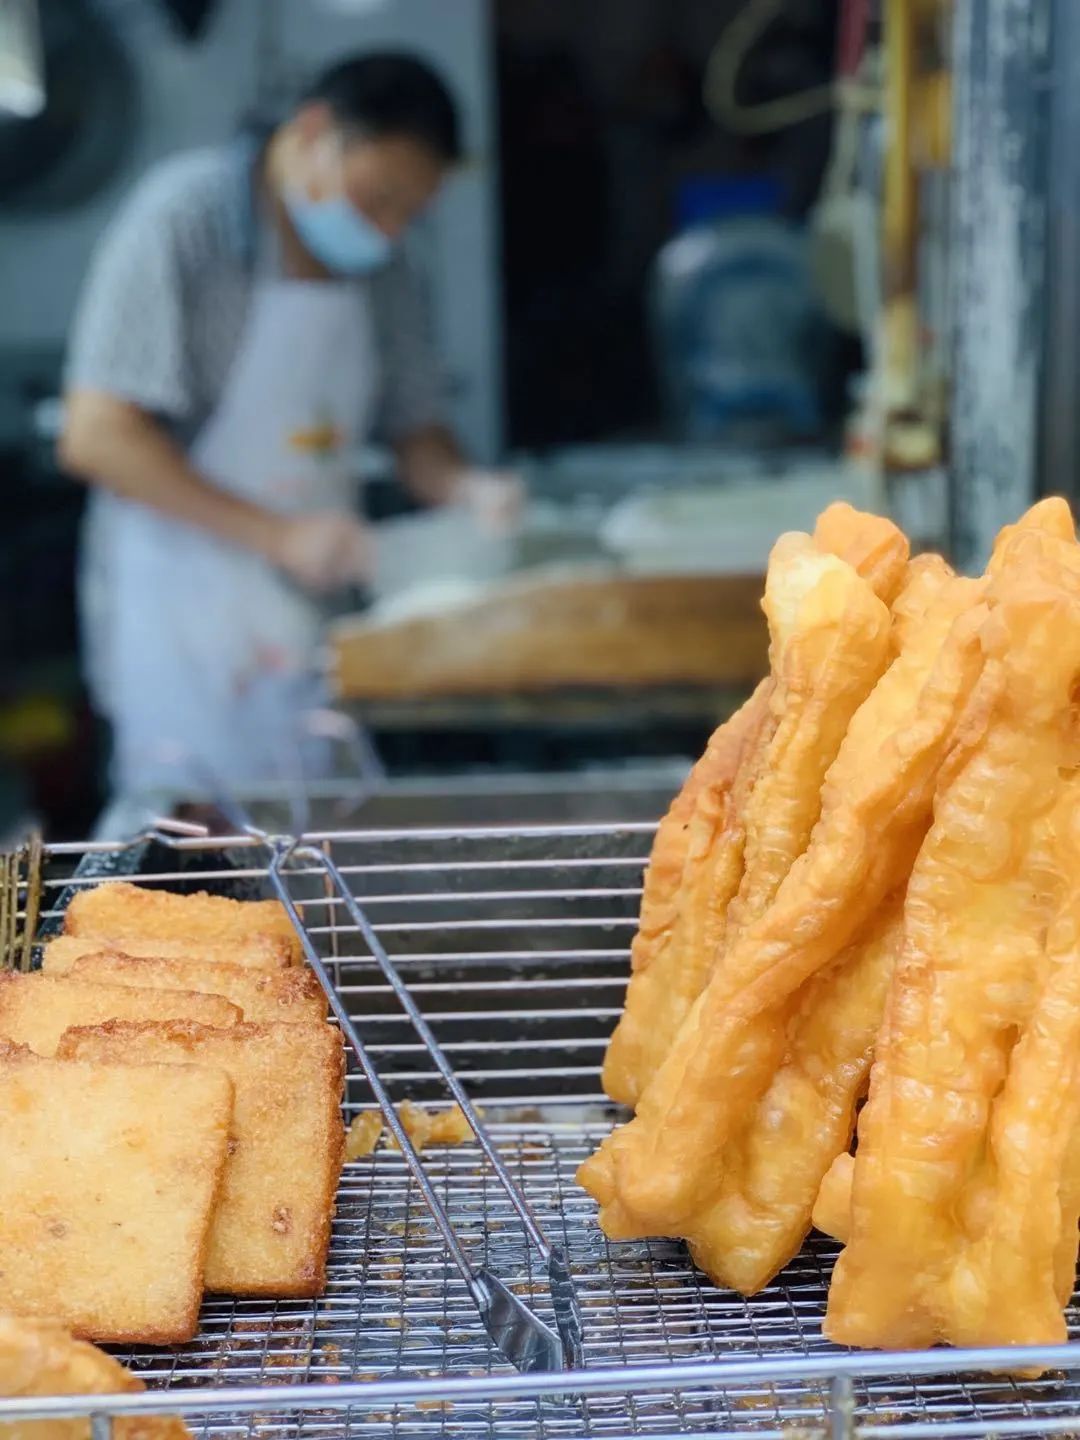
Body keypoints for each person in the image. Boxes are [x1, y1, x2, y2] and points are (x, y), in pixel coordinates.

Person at [60, 51, 518, 794]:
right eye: (380, 198)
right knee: (189, 840)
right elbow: (98, 434)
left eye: (411, 212)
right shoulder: (186, 219)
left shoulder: (386, 263)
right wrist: (276, 536)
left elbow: (416, 432)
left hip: (314, 612)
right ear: (314, 133)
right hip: (184, 612)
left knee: (311, 841)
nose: (391, 227)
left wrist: (466, 489)